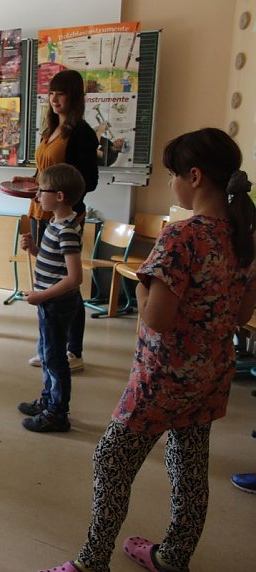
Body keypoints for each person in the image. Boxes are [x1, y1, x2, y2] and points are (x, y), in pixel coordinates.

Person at [38, 128, 256, 572]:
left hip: (163, 378)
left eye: (174, 174)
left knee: (112, 460)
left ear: (194, 177)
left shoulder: (181, 237)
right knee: (189, 465)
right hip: (211, 375)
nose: (172, 182)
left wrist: (141, 290)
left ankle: (91, 562)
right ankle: (173, 556)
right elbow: (241, 313)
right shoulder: (243, 236)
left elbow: (156, 318)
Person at [13, 69, 98, 373]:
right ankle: (51, 346)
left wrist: (59, 195)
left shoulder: (82, 133)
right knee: (47, 274)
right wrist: (34, 183)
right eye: (51, 94)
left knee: (68, 284)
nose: (55, 100)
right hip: (41, 208)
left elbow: (89, 180)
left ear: (74, 97)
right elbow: (44, 170)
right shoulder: (49, 129)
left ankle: (73, 350)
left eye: (61, 94)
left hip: (64, 213)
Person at [17, 164, 85, 433]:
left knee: (55, 359)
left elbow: (74, 278)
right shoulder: (55, 224)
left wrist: (41, 296)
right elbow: (51, 262)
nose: (36, 197)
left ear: (58, 196)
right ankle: (48, 400)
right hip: (48, 302)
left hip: (56, 304)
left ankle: (58, 413)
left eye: (41, 191)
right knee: (47, 354)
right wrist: (33, 248)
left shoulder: (67, 230)